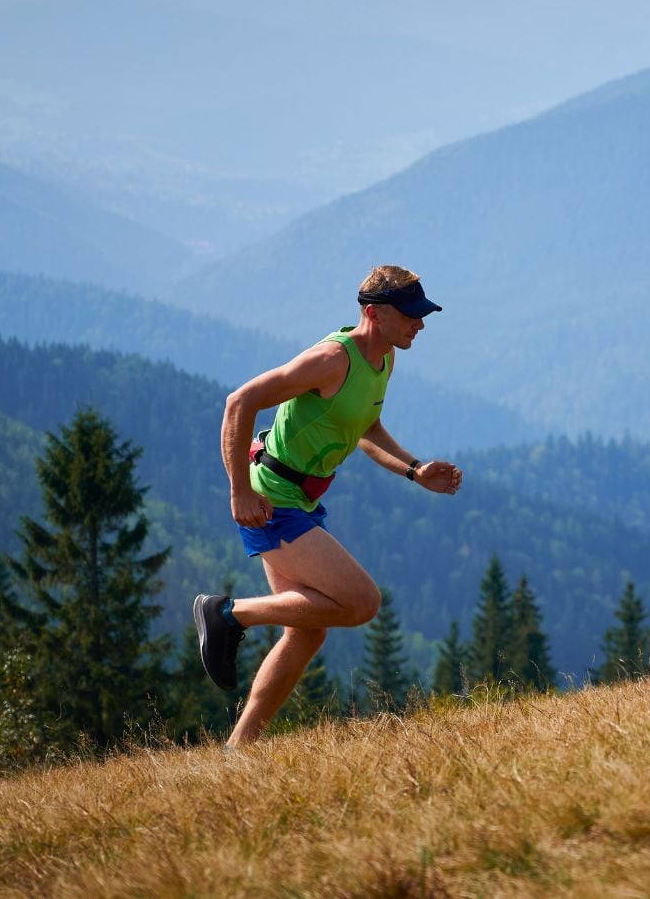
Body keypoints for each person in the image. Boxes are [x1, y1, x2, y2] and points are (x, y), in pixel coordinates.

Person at [194, 265, 462, 746]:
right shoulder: (331, 360)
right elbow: (240, 403)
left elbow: (363, 428)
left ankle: (237, 749)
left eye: (422, 315)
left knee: (307, 632)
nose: (419, 325)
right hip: (272, 499)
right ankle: (228, 614)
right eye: (410, 315)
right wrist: (239, 490)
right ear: (374, 313)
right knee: (362, 602)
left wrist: (413, 469)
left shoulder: (382, 359)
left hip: (299, 498)